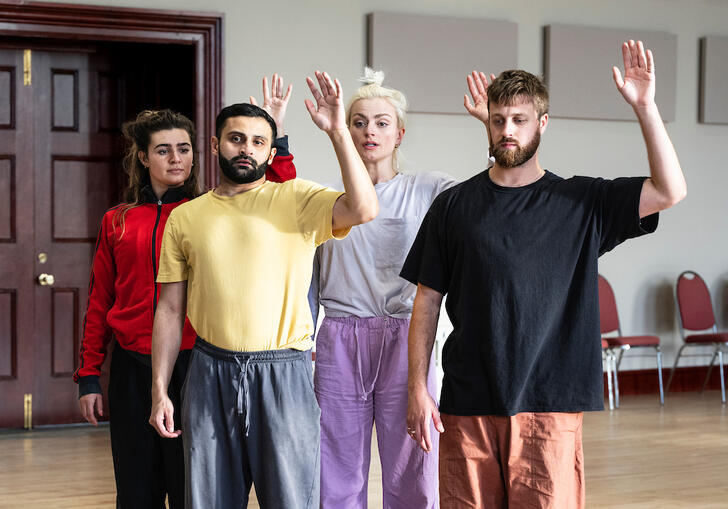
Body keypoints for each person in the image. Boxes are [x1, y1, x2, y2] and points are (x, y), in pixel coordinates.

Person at [402, 40, 686, 509]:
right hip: (467, 400)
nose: (507, 131)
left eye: (519, 120)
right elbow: (427, 299)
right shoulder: (454, 206)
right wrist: (416, 386)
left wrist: (646, 107)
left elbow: (669, 190)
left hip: (549, 403)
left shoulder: (581, 202)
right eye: (498, 121)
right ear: (486, 123)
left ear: (543, 123)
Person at [149, 71, 378, 509]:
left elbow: (364, 207)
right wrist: (160, 390)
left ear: (271, 151)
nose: (246, 149)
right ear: (215, 146)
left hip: (284, 374)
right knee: (207, 501)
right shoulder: (185, 217)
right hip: (209, 372)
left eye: (258, 142)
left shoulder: (296, 199)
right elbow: (169, 310)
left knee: (293, 500)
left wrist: (336, 132)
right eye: (236, 138)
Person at [73, 75, 296, 509]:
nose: (176, 158)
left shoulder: (210, 210)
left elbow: (283, 196)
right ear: (143, 157)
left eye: (185, 148)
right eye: (163, 149)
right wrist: (88, 375)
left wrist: (278, 136)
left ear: (200, 152)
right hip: (132, 369)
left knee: (193, 484)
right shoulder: (117, 221)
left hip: (197, 364)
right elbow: (100, 301)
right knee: (136, 489)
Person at [308, 68, 457, 508]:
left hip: (407, 336)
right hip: (340, 337)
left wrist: (490, 125)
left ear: (399, 134)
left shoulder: (430, 189)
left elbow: (488, 199)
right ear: (344, 128)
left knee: (412, 460)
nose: (369, 131)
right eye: (358, 121)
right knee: (334, 463)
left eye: (381, 122)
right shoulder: (323, 198)